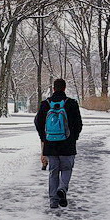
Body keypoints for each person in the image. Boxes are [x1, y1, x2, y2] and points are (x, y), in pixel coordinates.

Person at [34, 78, 83, 209]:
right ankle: (62, 188)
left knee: (53, 172)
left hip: (50, 145)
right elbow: (79, 124)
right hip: (67, 144)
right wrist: (74, 138)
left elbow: (38, 123)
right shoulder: (72, 103)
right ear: (65, 88)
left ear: (53, 89)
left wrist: (44, 138)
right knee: (67, 169)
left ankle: (53, 201)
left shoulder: (45, 104)